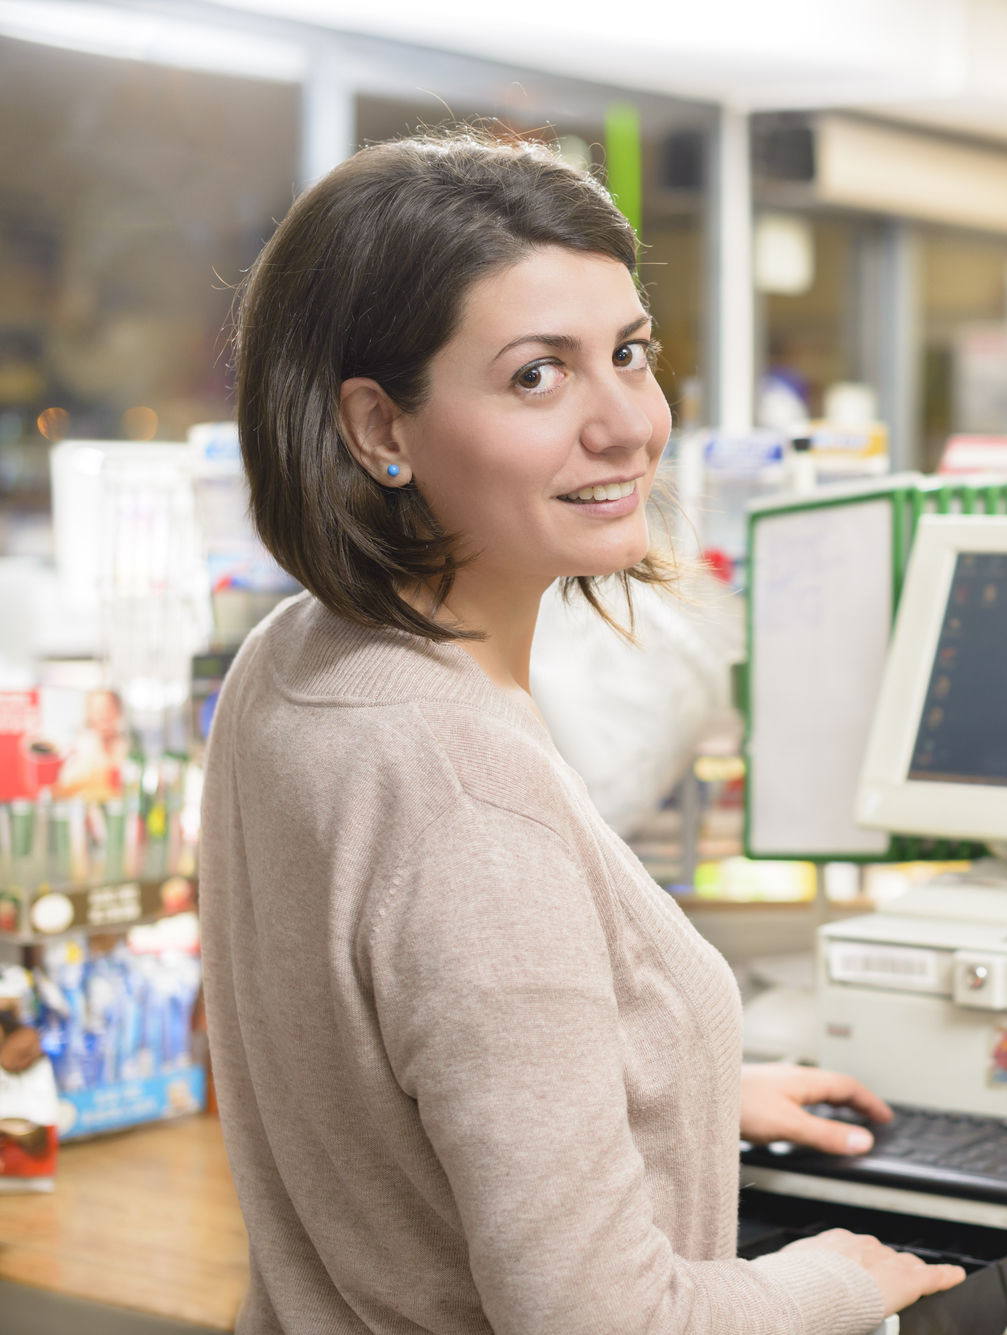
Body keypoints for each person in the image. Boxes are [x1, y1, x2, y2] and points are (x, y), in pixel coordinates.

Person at [202, 132, 963, 1335]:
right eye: (535, 377)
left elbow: (399, 1056)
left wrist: (679, 1090)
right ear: (378, 428)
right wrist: (831, 1284)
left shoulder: (295, 659)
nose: (625, 427)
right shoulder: (465, 797)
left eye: (628, 354)